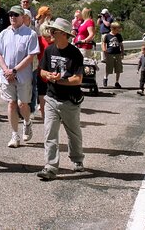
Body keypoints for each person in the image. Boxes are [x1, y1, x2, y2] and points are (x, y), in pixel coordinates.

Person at [37, 17, 85, 181]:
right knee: (49, 133)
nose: (50, 33)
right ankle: (50, 167)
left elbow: (78, 79)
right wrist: (48, 75)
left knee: (73, 133)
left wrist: (61, 80)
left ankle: (77, 159)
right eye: (50, 30)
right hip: (51, 98)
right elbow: (42, 71)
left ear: (63, 34)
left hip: (70, 101)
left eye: (53, 31)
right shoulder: (49, 50)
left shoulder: (75, 54)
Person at [0, 5, 40, 148]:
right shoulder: (4, 34)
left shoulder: (30, 34)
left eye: (16, 15)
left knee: (22, 104)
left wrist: (14, 70)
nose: (12, 17)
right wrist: (6, 70)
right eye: (10, 15)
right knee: (11, 104)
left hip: (23, 76)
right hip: (6, 76)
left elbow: (31, 56)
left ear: (22, 17)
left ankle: (27, 122)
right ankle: (15, 135)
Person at [102, 21, 124, 88]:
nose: (117, 31)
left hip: (117, 54)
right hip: (110, 54)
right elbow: (104, 44)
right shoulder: (107, 36)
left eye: (118, 29)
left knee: (118, 69)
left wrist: (122, 52)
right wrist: (105, 51)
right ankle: (105, 78)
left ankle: (117, 82)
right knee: (109, 68)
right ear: (112, 28)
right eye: (116, 29)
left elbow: (121, 45)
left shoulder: (119, 36)